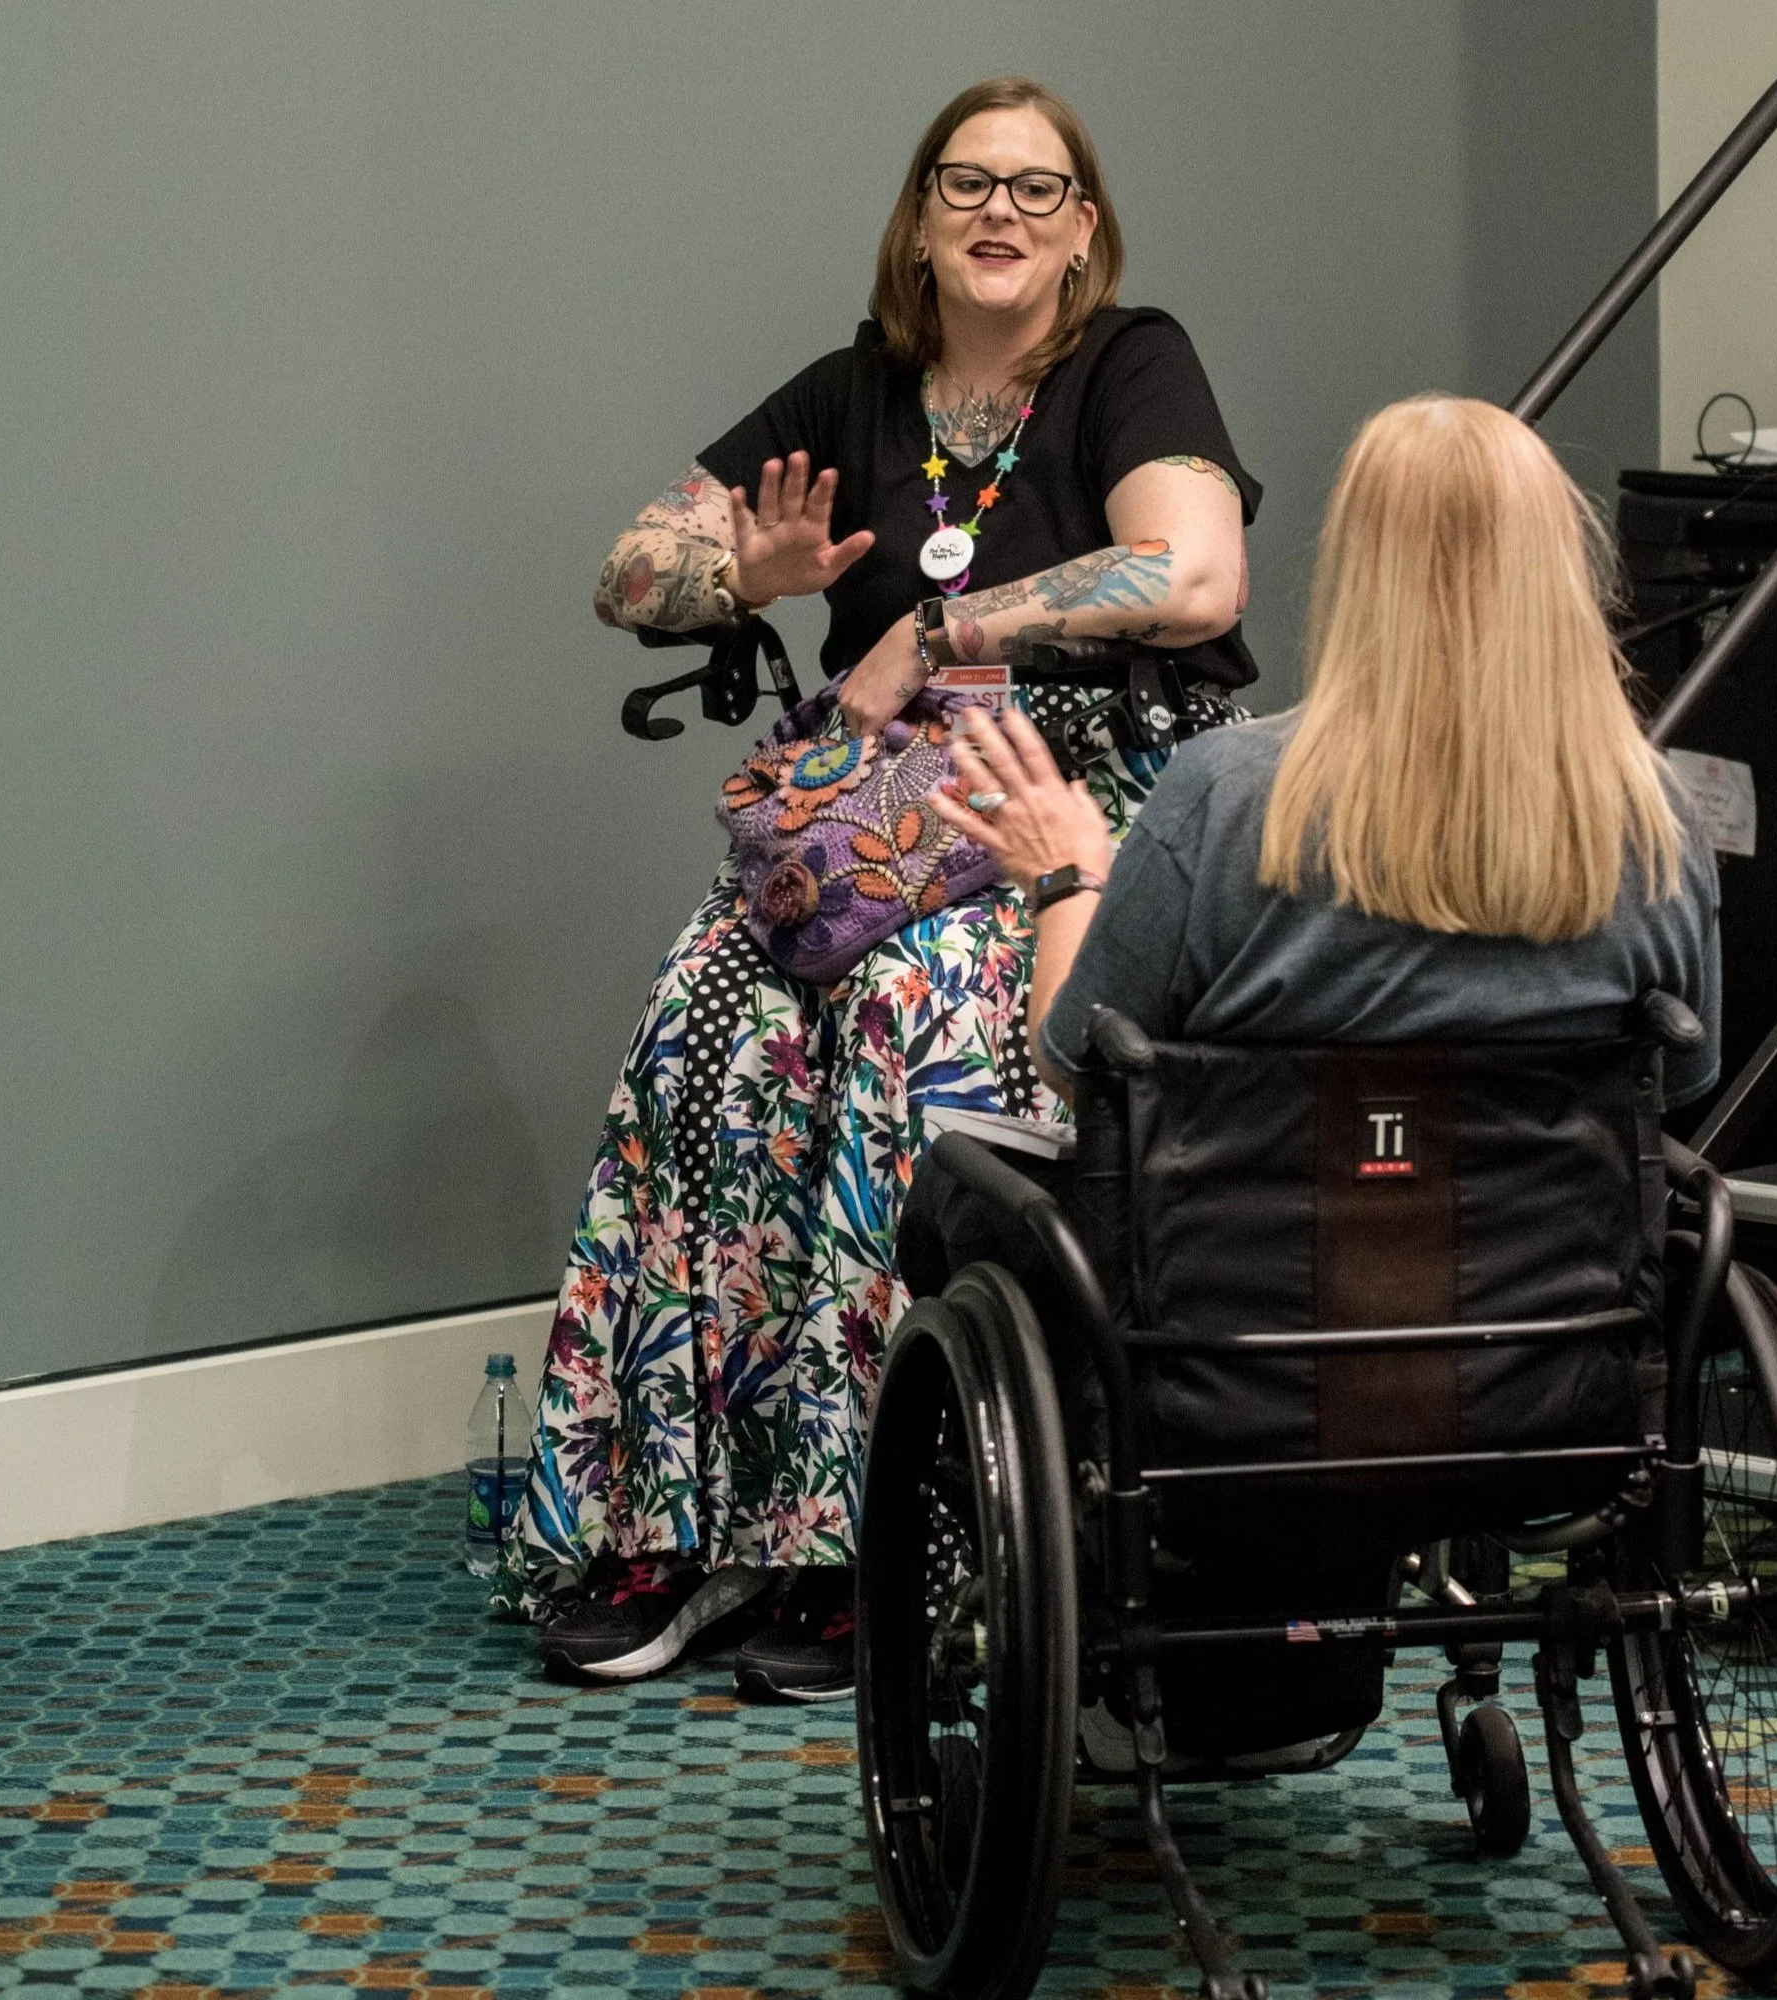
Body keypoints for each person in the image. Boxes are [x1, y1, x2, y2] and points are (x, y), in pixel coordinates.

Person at [498, 75, 1259, 1702]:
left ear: (1085, 233)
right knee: (701, 1030)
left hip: (1068, 801)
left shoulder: (1129, 364)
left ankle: (868, 1538)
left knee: (910, 1042)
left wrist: (949, 628)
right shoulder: (855, 391)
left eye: (1039, 190)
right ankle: (682, 1534)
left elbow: (1192, 574)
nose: (1002, 211)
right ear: (920, 218)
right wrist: (743, 572)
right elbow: (627, 565)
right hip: (877, 814)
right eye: (967, 183)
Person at [924, 392, 1720, 1117]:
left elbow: (1075, 1068)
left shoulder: (1225, 797)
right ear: (1563, 569)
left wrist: (1066, 877)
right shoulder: (1656, 818)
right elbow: (1681, 1081)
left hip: (1255, 1269)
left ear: (1357, 569)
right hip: (1558, 1271)